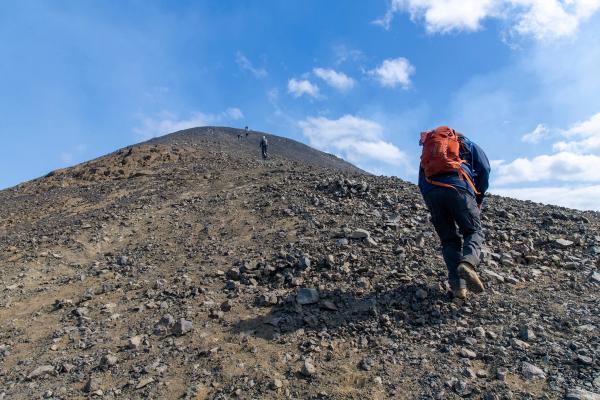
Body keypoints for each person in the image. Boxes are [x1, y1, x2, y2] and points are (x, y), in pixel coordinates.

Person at [418, 126, 490, 300]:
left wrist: (431, 198)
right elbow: (484, 169)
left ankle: (458, 288)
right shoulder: (467, 144)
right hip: (459, 188)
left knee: (449, 240)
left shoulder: (429, 152)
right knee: (473, 231)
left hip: (432, 193)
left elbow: (421, 180)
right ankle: (468, 263)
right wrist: (478, 198)